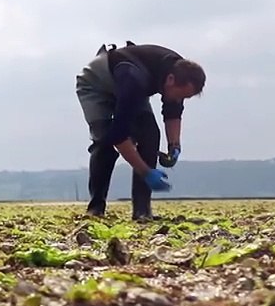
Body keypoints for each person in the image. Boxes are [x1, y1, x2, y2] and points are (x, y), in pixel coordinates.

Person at [74, 42, 205, 220]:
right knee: (104, 143)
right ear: (171, 80)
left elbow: (173, 112)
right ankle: (96, 208)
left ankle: (142, 211)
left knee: (150, 133)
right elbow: (119, 136)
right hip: (96, 85)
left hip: (131, 85)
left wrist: (175, 146)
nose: (180, 100)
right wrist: (146, 172)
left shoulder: (179, 73)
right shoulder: (133, 81)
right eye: (181, 95)